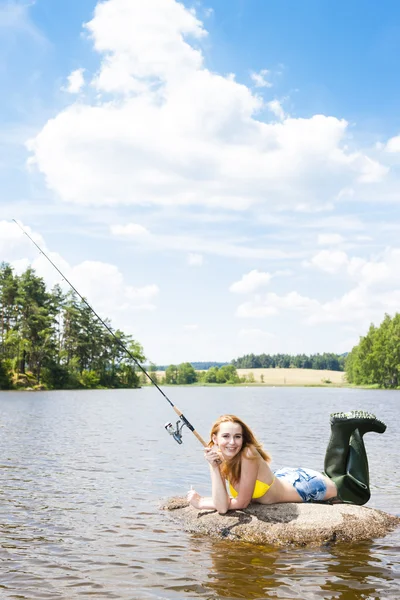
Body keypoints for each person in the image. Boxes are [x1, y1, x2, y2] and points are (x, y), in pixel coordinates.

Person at [186, 411, 386, 514]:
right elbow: (223, 504)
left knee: (357, 491)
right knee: (334, 476)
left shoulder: (247, 453)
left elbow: (239, 503)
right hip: (285, 478)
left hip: (303, 486)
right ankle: (340, 429)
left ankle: (356, 431)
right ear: (214, 438)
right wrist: (214, 467)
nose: (232, 442)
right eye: (226, 436)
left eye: (237, 436)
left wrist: (201, 502)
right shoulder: (220, 457)